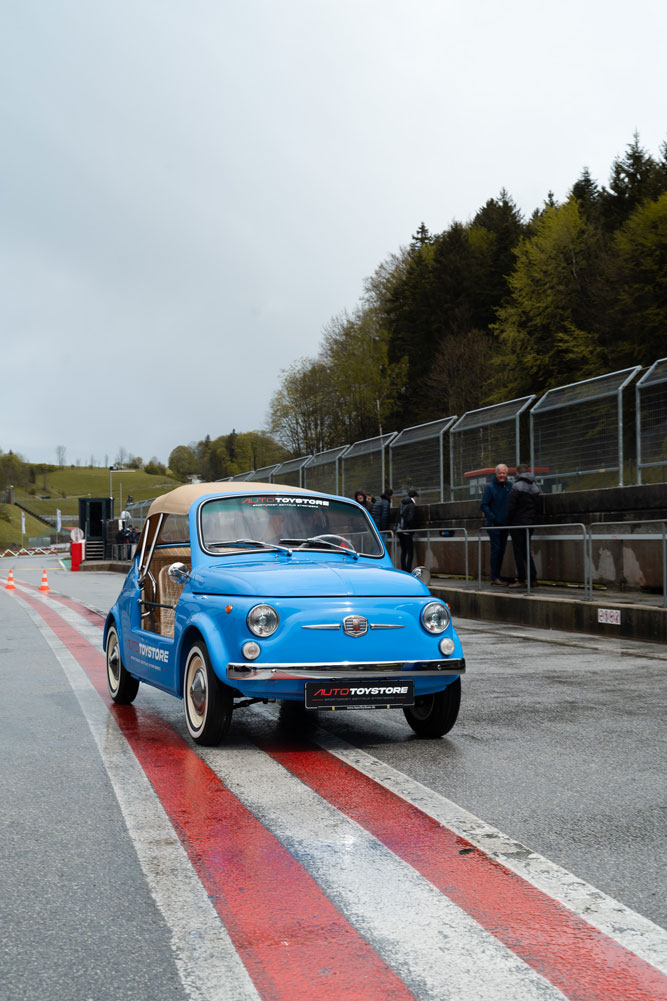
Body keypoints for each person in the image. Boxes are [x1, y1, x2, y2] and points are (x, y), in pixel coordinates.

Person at [506, 464, 541, 588]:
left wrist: (508, 521)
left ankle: (521, 580)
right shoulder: (535, 487)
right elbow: (538, 507)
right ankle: (533, 578)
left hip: (517, 524)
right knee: (527, 551)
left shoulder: (517, 486)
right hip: (530, 523)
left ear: (517, 473)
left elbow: (511, 506)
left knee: (518, 552)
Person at [480, 463, 511, 585]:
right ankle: (495, 577)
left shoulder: (510, 486)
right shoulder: (490, 487)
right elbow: (484, 505)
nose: (502, 475)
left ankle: (498, 576)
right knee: (496, 550)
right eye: (500, 473)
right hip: (493, 525)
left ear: (507, 474)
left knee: (501, 550)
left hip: (505, 524)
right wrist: (494, 518)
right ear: (496, 474)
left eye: (504, 473)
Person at [397, 490, 418, 571]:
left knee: (403, 551)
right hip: (407, 531)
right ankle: (408, 570)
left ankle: (403, 569)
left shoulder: (401, 503)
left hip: (400, 530)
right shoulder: (411, 505)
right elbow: (410, 518)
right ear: (414, 497)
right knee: (410, 552)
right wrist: (412, 528)